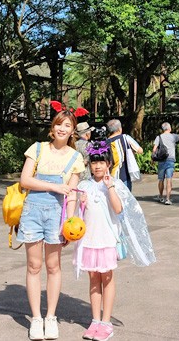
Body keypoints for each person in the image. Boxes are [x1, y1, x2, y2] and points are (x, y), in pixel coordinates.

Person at [18, 108, 85, 340]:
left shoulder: (76, 158)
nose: (62, 129)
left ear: (73, 131)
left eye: (67, 125)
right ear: (52, 127)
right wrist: (55, 187)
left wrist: (69, 222)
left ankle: (51, 317)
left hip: (57, 217)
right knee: (33, 266)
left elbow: (73, 195)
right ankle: (36, 318)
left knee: (53, 266)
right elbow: (25, 180)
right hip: (32, 213)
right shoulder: (37, 149)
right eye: (59, 124)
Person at [74, 139, 124, 341]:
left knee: (107, 279)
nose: (97, 166)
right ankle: (95, 320)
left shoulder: (114, 183)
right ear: (89, 165)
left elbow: (118, 209)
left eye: (101, 162)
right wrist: (82, 204)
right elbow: (78, 216)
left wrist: (110, 187)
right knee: (94, 280)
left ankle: (106, 322)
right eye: (94, 162)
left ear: (108, 164)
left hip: (106, 240)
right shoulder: (84, 185)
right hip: (89, 241)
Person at [153, 122, 179, 204]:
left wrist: (153, 159)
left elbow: (154, 149)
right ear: (169, 128)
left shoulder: (159, 137)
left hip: (161, 161)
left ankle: (161, 196)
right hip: (170, 160)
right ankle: (168, 199)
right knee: (169, 179)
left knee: (161, 179)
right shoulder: (173, 136)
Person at [106, 118, 143, 190]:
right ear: (120, 129)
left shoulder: (106, 142)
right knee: (126, 199)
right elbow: (140, 150)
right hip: (124, 175)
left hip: (112, 176)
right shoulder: (125, 137)